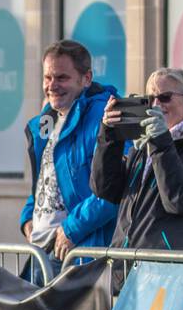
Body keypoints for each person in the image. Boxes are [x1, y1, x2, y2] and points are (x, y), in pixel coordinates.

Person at [92, 67, 183, 251]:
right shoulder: (146, 143)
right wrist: (109, 135)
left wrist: (161, 141)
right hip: (126, 260)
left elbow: (180, 202)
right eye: (149, 99)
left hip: (167, 265)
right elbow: (106, 188)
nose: (156, 105)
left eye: (165, 98)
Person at [20, 41, 119, 279]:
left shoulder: (106, 116)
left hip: (78, 252)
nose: (52, 85)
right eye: (47, 78)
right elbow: (45, 180)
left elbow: (113, 189)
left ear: (86, 78)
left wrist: (71, 229)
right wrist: (28, 216)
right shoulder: (46, 121)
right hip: (41, 251)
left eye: (62, 77)